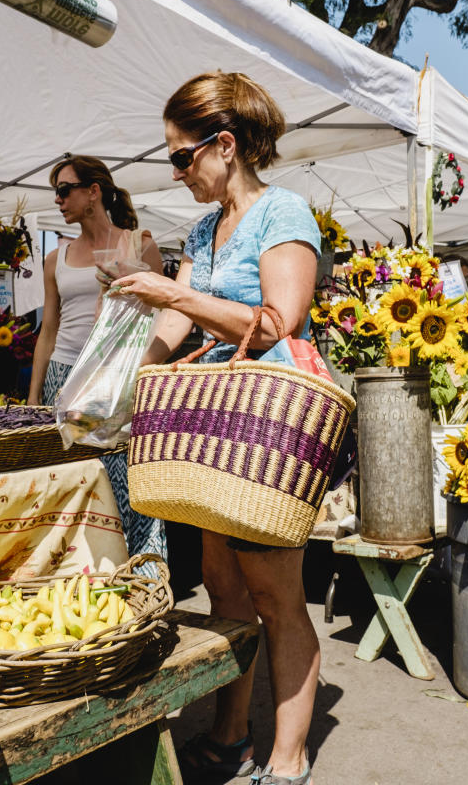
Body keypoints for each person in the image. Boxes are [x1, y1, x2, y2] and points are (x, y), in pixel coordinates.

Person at [110, 72, 322, 785]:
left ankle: (286, 761)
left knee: (275, 599)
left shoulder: (282, 212)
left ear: (224, 146)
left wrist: (175, 290)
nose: (177, 173)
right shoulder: (204, 229)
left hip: (264, 433)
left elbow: (276, 323)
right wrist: (135, 373)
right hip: (211, 433)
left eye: (180, 157)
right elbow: (180, 317)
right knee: (224, 590)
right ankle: (232, 733)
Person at [25, 154, 168, 565]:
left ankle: (139, 572)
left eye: (64, 189)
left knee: (124, 481)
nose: (57, 200)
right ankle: (77, 571)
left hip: (117, 379)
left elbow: (159, 320)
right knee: (71, 483)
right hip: (64, 378)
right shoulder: (57, 257)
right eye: (55, 192)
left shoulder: (139, 245)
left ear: (93, 192)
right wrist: (35, 396)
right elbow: (48, 329)